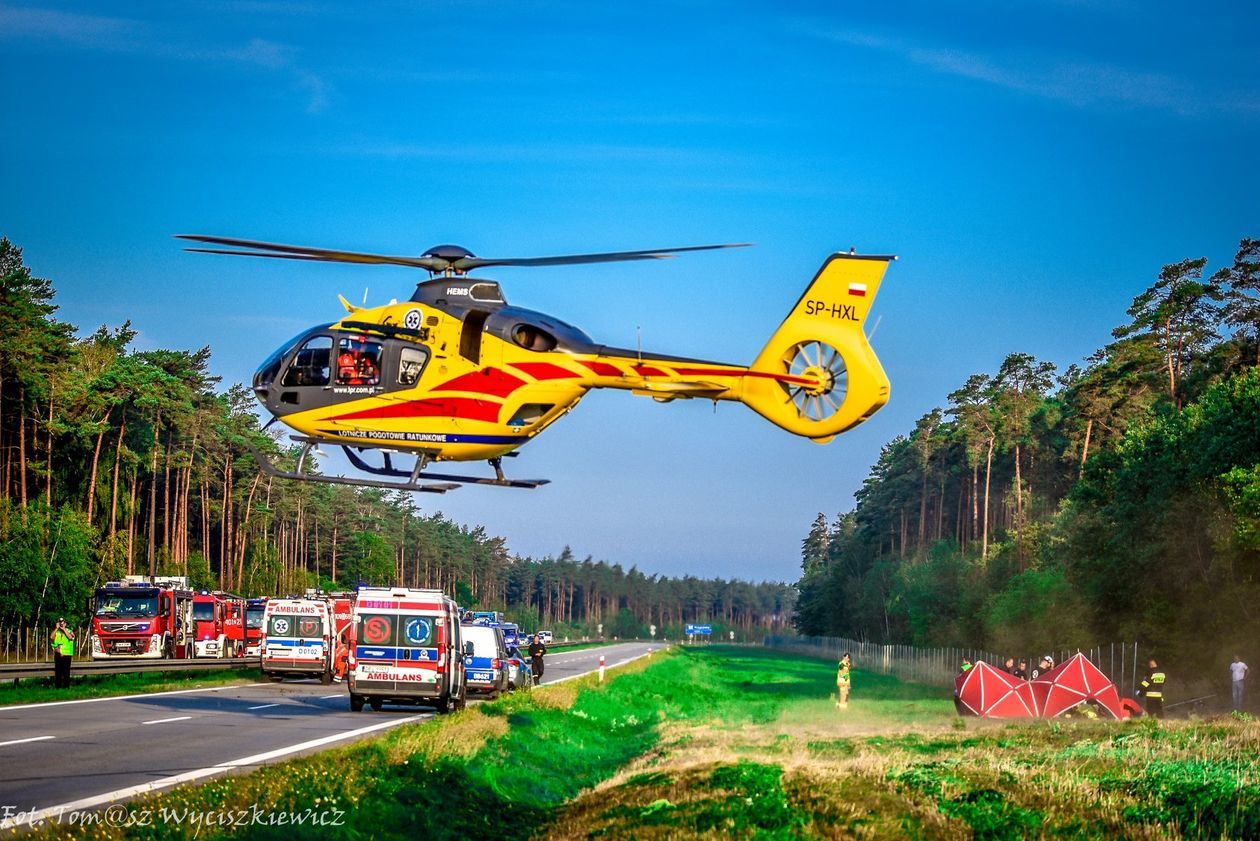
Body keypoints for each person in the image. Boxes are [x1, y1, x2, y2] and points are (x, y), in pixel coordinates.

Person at [50, 618, 75, 689]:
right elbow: (51, 637)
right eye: (60, 622)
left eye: (63, 622)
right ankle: (58, 687)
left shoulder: (69, 631)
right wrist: (56, 628)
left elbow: (70, 637)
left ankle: (66, 687)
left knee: (66, 672)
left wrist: (64, 629)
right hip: (58, 654)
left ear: (65, 624)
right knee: (58, 672)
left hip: (67, 654)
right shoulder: (56, 632)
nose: (61, 624)